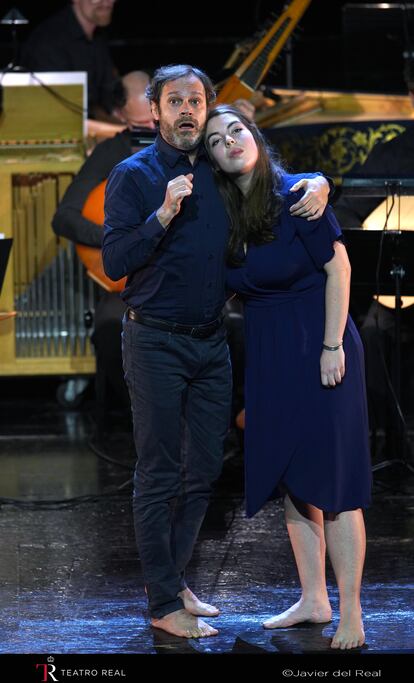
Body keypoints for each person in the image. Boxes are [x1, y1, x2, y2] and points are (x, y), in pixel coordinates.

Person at [102, 64, 331, 639]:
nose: (186, 110)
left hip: (210, 341)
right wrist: (162, 215)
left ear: (206, 109)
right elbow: (113, 263)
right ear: (154, 111)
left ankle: (175, 580)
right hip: (153, 338)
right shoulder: (133, 176)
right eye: (174, 101)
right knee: (159, 473)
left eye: (196, 101)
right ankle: (162, 602)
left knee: (203, 471)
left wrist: (322, 180)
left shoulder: (216, 170)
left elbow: (272, 178)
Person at [204, 104, 372, 649]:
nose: (230, 141)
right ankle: (313, 598)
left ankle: (350, 612)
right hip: (272, 353)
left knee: (338, 483)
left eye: (236, 130)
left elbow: (338, 266)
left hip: (320, 341)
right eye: (215, 141)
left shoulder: (299, 193)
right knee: (295, 478)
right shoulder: (223, 212)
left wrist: (330, 345)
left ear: (253, 135)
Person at [52, 71, 156, 427]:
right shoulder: (110, 152)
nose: (151, 129)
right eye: (140, 122)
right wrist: (116, 238)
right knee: (110, 328)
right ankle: (143, 421)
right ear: (120, 114)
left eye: (155, 119)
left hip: (180, 278)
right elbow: (63, 218)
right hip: (128, 282)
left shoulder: (185, 145)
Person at [333, 58, 414, 436]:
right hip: (401, 290)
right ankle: (385, 439)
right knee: (370, 332)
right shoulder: (392, 153)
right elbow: (347, 214)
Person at [21, 0, 118, 120]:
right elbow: (59, 111)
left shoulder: (98, 36)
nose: (107, 3)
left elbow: (109, 89)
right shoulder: (49, 40)